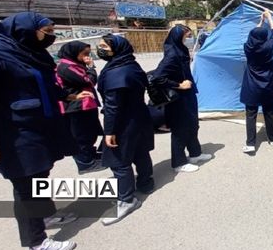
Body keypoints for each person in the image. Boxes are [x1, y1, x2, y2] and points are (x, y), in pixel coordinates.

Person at [0, 12, 84, 250]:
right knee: (26, 186)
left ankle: (45, 214)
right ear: (25, 29)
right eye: (46, 30)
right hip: (13, 133)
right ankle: (37, 244)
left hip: (37, 127)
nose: (51, 35)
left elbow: (41, 83)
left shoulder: (29, 50)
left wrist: (63, 96)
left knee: (40, 174)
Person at [96, 34, 154, 225]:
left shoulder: (116, 73)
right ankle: (146, 183)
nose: (101, 49)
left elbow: (112, 106)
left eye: (104, 46)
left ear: (117, 48)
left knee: (119, 161)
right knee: (140, 152)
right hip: (139, 116)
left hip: (123, 122)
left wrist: (109, 131)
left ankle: (127, 200)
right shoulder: (130, 65)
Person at [152, 25, 212, 173]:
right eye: (187, 36)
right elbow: (157, 78)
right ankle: (178, 163)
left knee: (192, 125)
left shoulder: (181, 50)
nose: (189, 38)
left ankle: (195, 154)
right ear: (178, 37)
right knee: (180, 130)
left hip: (188, 96)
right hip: (178, 99)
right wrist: (179, 85)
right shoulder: (173, 54)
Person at [56, 41, 106, 174]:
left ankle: (91, 156)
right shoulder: (66, 67)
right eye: (84, 54)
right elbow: (89, 81)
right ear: (74, 53)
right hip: (76, 108)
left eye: (88, 54)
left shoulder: (75, 65)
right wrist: (91, 67)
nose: (87, 57)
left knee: (90, 133)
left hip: (85, 106)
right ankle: (85, 164)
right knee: (80, 136)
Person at [240, 10, 273, 154]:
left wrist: (260, 22)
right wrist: (269, 18)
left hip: (252, 85)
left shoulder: (248, 47)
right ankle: (272, 139)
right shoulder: (268, 46)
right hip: (268, 83)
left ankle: (250, 143)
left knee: (250, 114)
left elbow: (252, 35)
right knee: (269, 112)